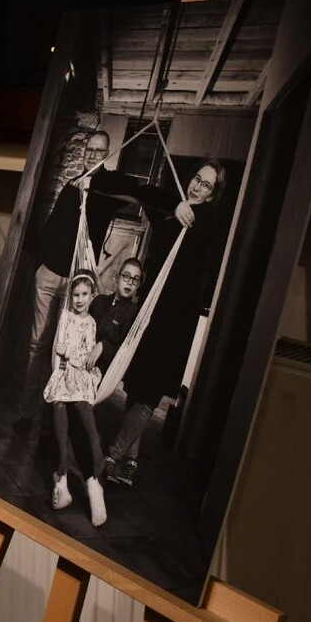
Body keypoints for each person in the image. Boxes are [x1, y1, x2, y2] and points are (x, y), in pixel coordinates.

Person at [104, 159, 228, 488]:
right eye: (196, 179)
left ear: (213, 194)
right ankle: (130, 462)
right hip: (151, 310)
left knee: (151, 392)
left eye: (206, 185)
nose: (197, 187)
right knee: (136, 385)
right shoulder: (172, 211)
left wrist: (188, 210)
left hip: (176, 320)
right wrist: (175, 205)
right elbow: (147, 194)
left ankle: (113, 454)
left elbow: (208, 223)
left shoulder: (210, 219)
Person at [20, 130, 139, 423]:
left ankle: (53, 416)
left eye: (99, 151)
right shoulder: (71, 186)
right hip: (48, 275)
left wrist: (94, 184)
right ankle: (28, 412)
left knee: (66, 349)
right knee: (37, 344)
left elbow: (133, 191)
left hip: (77, 284)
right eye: (89, 150)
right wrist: (41, 263)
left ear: (106, 155)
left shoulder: (104, 190)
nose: (92, 155)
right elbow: (53, 226)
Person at [44, 270, 108, 527]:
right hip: (63, 375)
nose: (80, 299)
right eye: (76, 295)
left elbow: (84, 357)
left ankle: (96, 459)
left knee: (83, 413)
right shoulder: (65, 317)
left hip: (80, 375)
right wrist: (63, 355)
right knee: (58, 409)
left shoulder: (91, 323)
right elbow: (58, 347)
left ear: (92, 296)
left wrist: (68, 354)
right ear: (71, 296)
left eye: (84, 295)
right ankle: (61, 472)